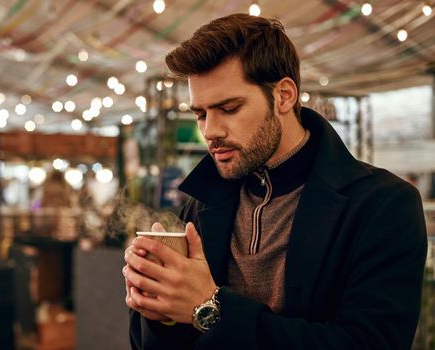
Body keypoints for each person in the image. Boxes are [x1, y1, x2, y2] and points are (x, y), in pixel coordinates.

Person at [122, 13, 427, 349]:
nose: (210, 131)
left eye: (229, 108)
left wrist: (210, 307)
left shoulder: (382, 204)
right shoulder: (202, 202)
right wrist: (158, 308)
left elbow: (368, 343)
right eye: (201, 113)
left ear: (284, 95)